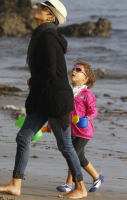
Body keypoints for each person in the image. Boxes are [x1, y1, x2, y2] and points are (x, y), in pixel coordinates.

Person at [0, 1, 88, 199]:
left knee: (65, 146)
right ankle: (15, 184)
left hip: (55, 100)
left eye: (44, 8)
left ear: (51, 17)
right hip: (43, 98)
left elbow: (50, 71)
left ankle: (80, 188)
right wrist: (35, 82)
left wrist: (33, 80)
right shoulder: (42, 34)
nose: (38, 9)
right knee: (23, 137)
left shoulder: (48, 36)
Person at [48, 60, 104, 193]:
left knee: (71, 153)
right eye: (73, 68)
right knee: (80, 158)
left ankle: (69, 184)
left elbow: (93, 110)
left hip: (84, 131)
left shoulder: (87, 95)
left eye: (78, 70)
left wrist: (87, 118)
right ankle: (97, 177)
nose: (74, 70)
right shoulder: (67, 92)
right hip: (71, 131)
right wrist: (51, 122)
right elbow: (60, 109)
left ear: (85, 78)